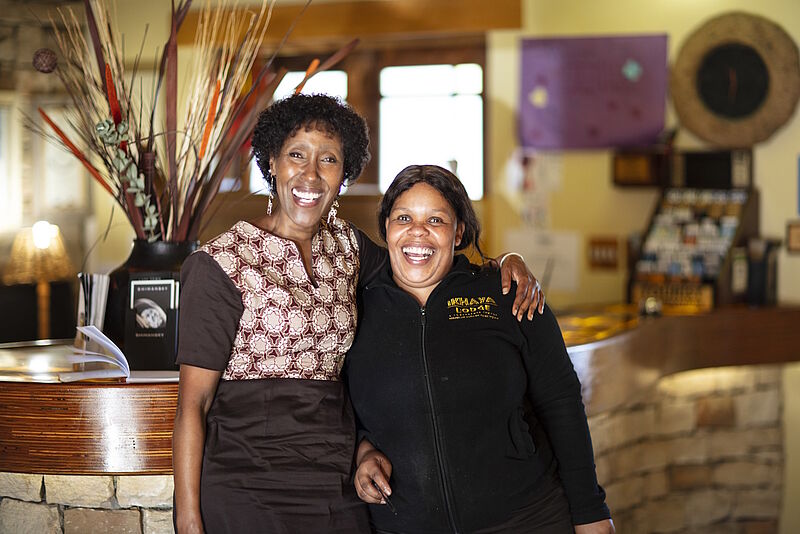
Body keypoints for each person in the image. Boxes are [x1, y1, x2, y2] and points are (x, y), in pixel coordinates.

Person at [172, 95, 544, 534]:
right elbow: (193, 404)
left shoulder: (348, 246)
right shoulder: (220, 264)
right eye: (296, 155)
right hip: (250, 478)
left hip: (337, 480)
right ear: (271, 161)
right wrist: (189, 519)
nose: (310, 174)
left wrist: (502, 262)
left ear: (343, 175)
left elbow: (423, 263)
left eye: (328, 160)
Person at [345, 164, 614, 534]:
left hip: (526, 518)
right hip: (406, 524)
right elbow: (336, 402)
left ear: (458, 233)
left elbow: (562, 404)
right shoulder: (355, 309)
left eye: (436, 220)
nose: (417, 232)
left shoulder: (508, 295)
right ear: (387, 228)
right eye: (403, 217)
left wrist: (591, 512)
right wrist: (362, 450)